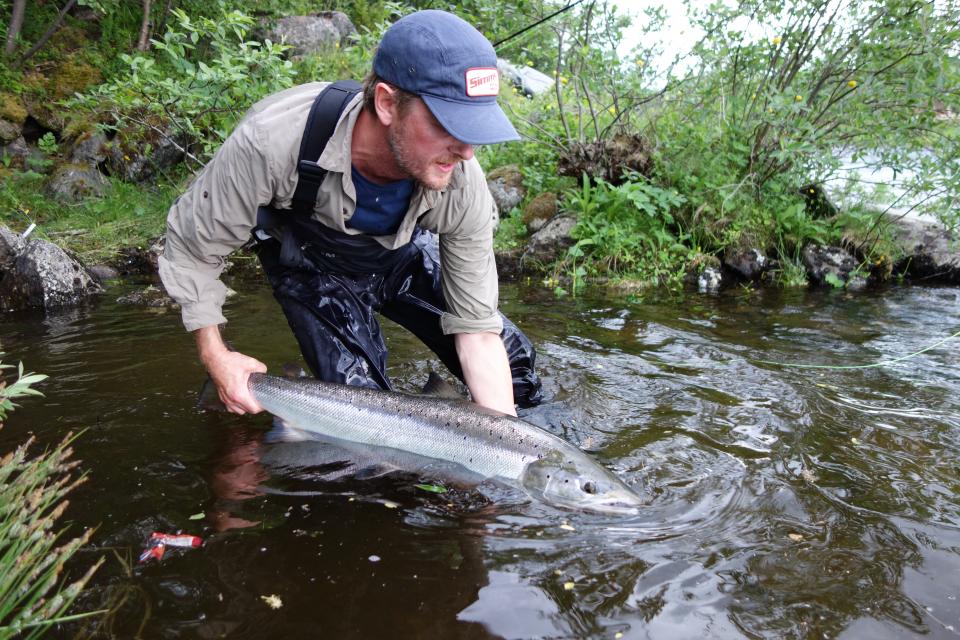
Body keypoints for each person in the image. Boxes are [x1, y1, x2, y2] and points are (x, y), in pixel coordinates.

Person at [158, 10, 543, 417]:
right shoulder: (272, 143)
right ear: (387, 103)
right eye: (449, 124)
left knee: (515, 369)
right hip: (312, 266)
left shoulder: (461, 180)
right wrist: (217, 356)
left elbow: (477, 329)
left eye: (475, 129)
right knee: (363, 415)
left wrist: (504, 453)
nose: (467, 150)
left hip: (401, 256)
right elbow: (192, 248)